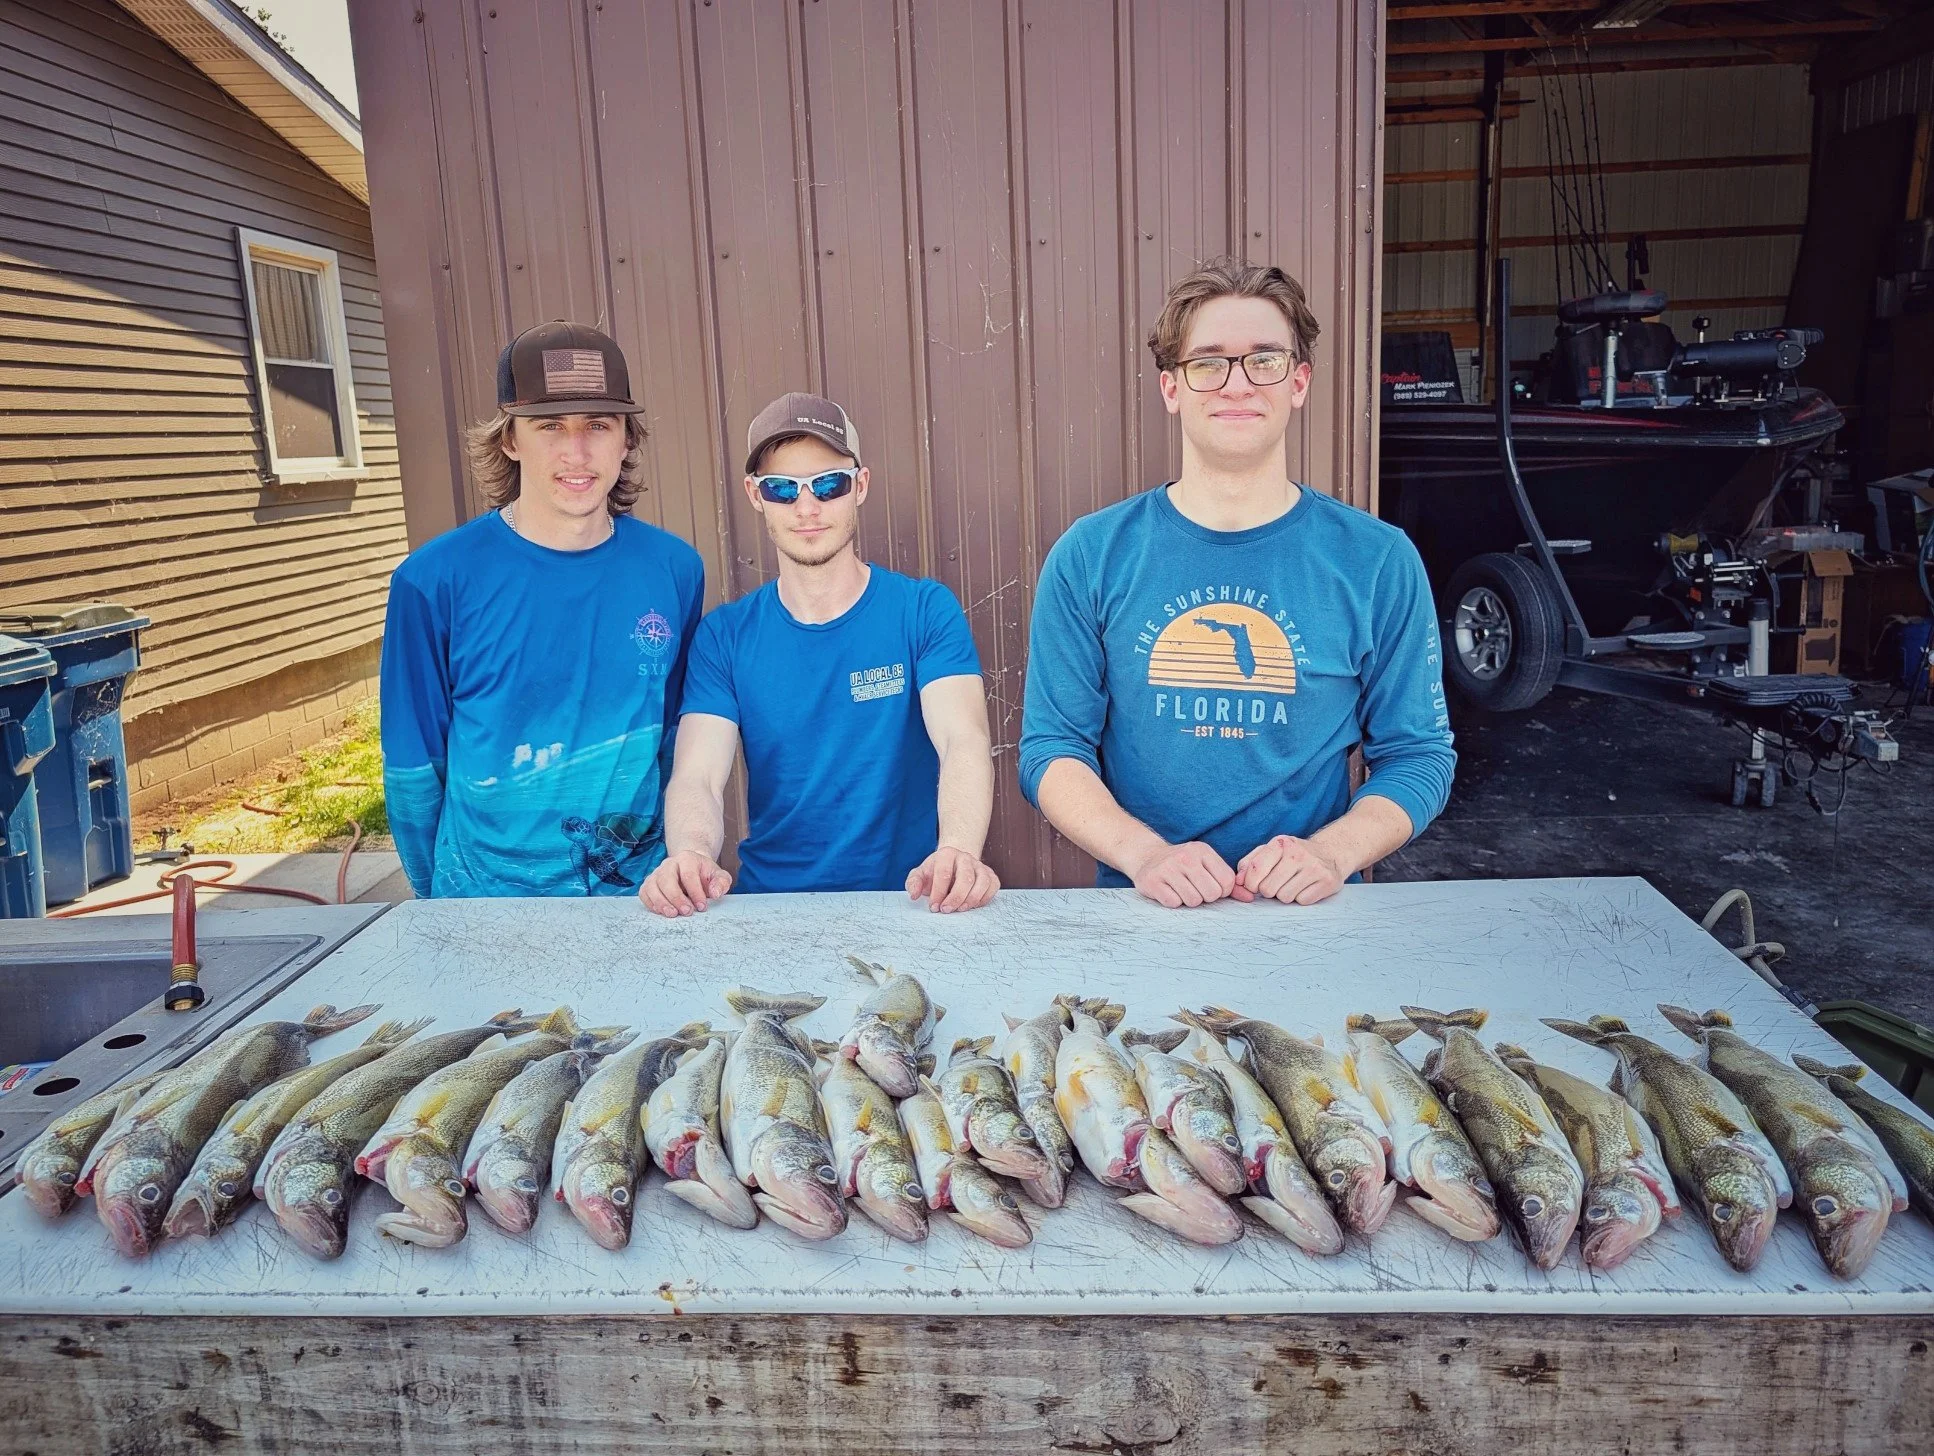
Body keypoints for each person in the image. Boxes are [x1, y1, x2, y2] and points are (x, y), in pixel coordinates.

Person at [1018, 257, 1455, 909]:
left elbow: (1420, 754)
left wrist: (1331, 854)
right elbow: (1052, 750)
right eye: (1208, 362)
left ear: (1299, 381)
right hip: (1142, 908)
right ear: (1172, 387)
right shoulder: (1092, 555)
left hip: (1308, 914)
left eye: (1264, 360)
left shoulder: (1377, 561)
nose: (1237, 384)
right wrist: (1146, 856)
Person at [639, 392, 999, 916]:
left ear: (861, 486)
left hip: (911, 902)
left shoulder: (922, 611)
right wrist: (690, 856)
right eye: (782, 489)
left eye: (829, 484)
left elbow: (962, 739)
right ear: (755, 495)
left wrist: (960, 852)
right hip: (772, 910)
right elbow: (698, 774)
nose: (807, 508)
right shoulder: (725, 636)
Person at [381, 321, 704, 897]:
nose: (575, 452)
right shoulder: (433, 581)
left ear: (627, 438)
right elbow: (413, 766)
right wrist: (439, 900)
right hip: (482, 901)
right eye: (549, 425)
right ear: (509, 439)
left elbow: (675, 737)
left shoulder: (674, 570)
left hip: (638, 899)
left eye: (599, 426)